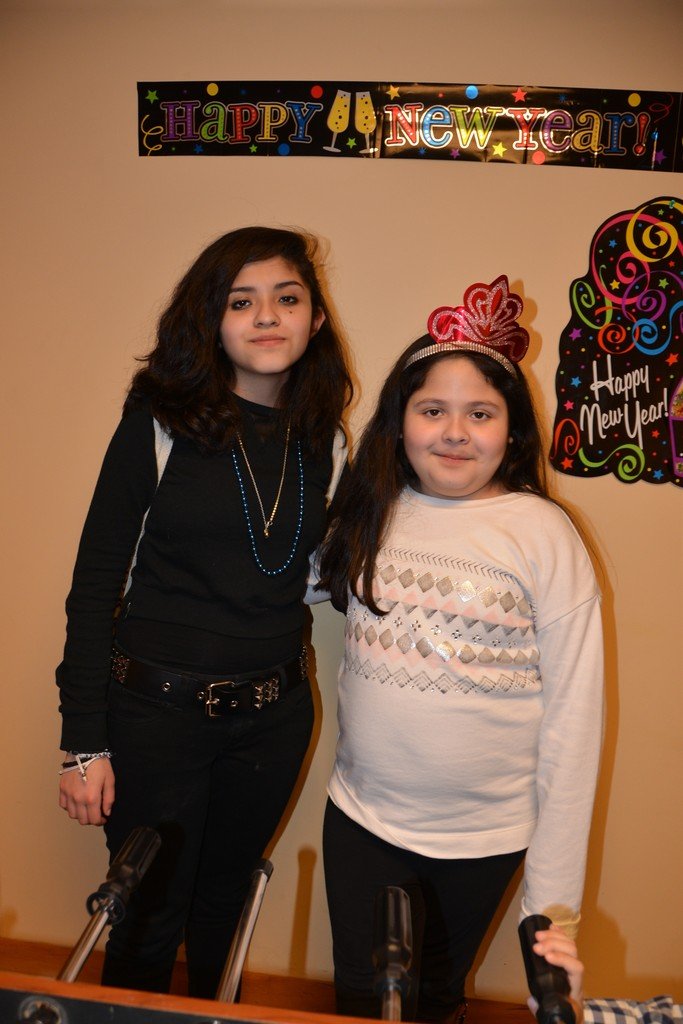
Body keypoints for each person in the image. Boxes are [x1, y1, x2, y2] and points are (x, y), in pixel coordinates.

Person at [56, 226, 353, 998]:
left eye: (286, 298)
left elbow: (317, 576)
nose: (267, 317)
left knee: (228, 906)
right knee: (149, 916)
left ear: (315, 319)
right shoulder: (158, 423)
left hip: (274, 717)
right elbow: (95, 583)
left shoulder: (325, 439)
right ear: (211, 321)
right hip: (155, 717)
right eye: (240, 302)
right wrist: (82, 743)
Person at [314, 275, 604, 1023]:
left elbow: (574, 727)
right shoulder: (369, 512)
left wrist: (552, 911)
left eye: (479, 413)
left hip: (485, 839)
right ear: (398, 423)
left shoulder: (544, 533)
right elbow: (280, 582)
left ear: (512, 430)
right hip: (362, 820)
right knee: (361, 1001)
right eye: (431, 410)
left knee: (436, 999)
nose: (454, 432)